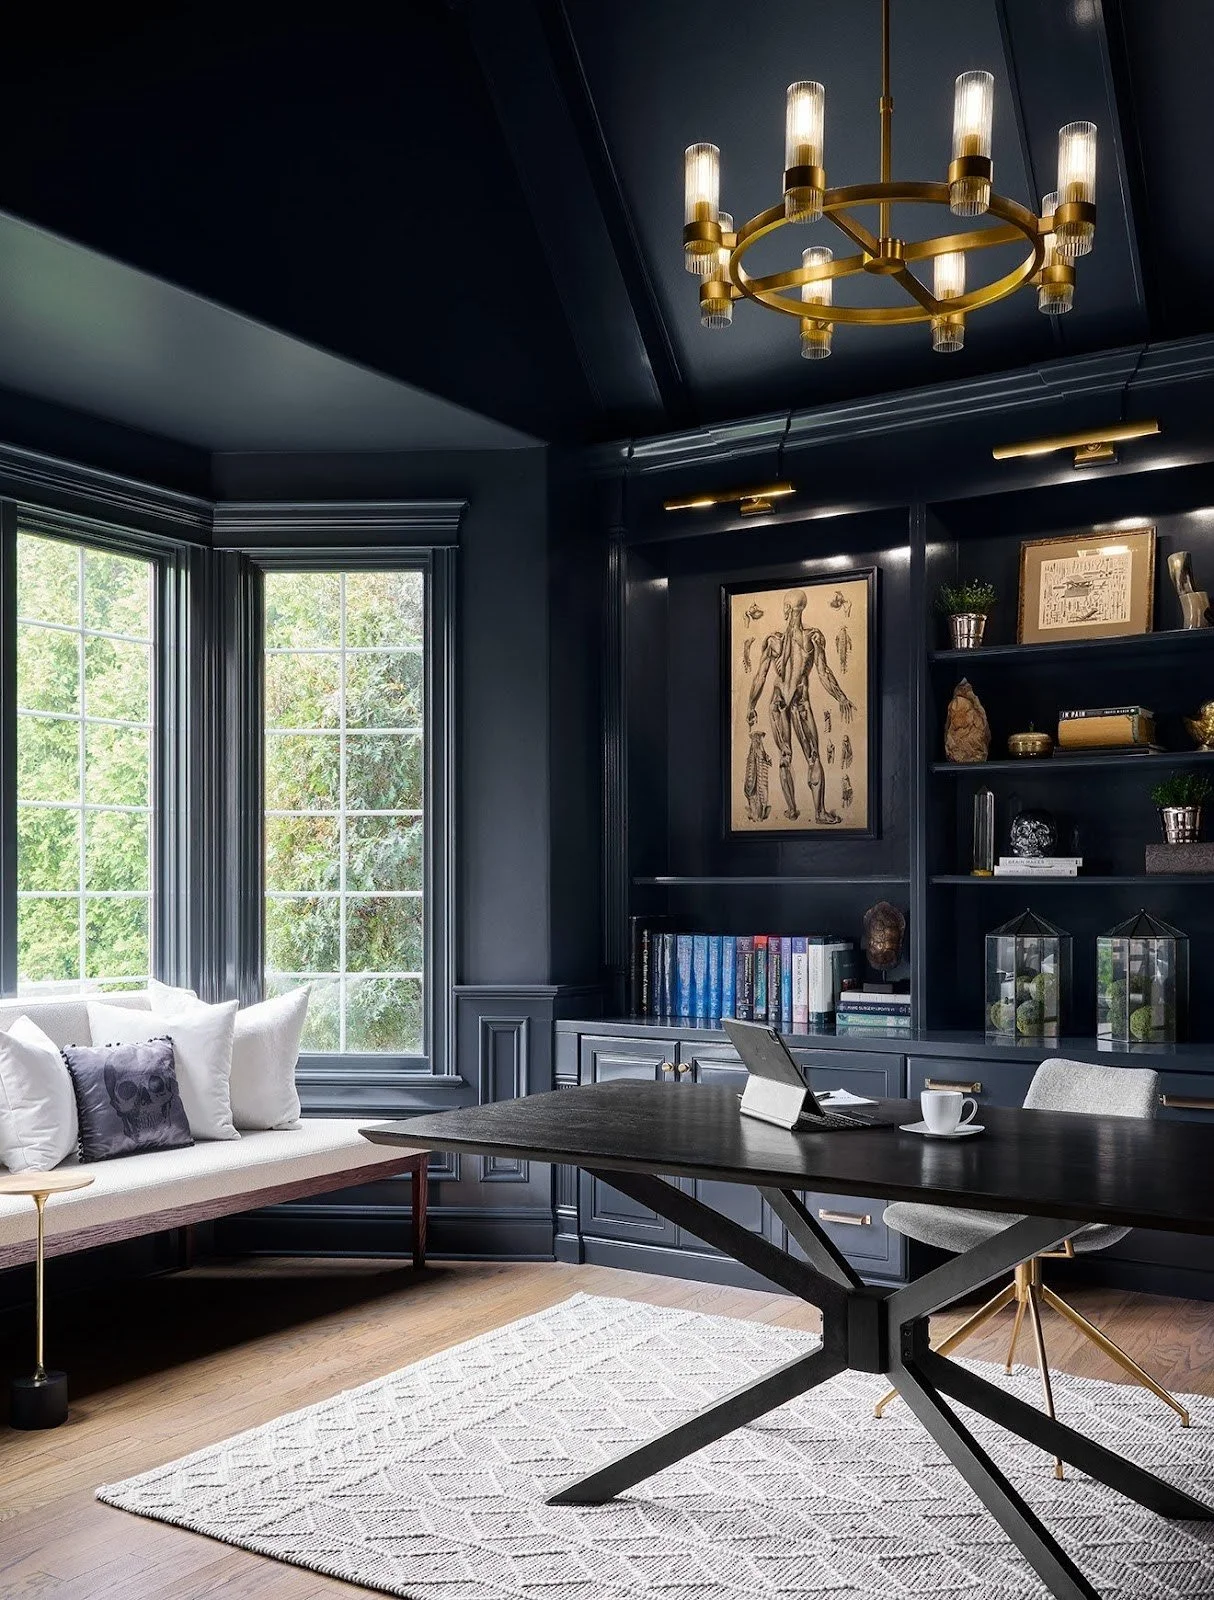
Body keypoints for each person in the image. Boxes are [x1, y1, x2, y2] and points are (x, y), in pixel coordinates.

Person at [746, 589, 855, 822]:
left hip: (778, 702)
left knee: (786, 756)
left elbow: (760, 677)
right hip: (799, 702)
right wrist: (841, 697)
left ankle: (793, 810)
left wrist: (751, 705)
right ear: (802, 609)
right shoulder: (813, 638)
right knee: (813, 756)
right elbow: (824, 673)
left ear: (786, 609)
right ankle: (818, 813)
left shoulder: (774, 641)